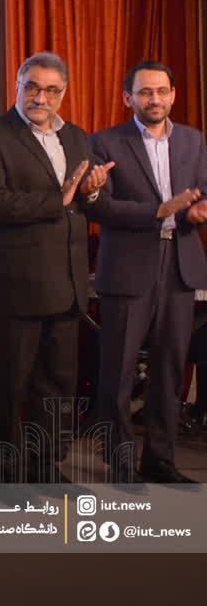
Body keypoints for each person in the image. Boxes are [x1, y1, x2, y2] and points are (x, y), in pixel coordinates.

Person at [0, 51, 111, 482]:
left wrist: (91, 191)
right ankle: (9, 470)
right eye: (32, 87)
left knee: (58, 385)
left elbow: (87, 205)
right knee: (10, 385)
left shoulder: (77, 136)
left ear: (63, 93)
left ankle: (47, 465)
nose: (40, 97)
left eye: (51, 90)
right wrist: (59, 199)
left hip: (67, 286)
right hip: (15, 285)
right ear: (18, 86)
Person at [87, 60, 207, 483]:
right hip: (128, 268)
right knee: (118, 372)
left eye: (161, 91)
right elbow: (99, 206)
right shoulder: (105, 142)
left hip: (180, 265)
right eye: (144, 92)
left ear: (173, 94)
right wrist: (158, 211)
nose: (154, 99)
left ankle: (160, 461)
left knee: (170, 369)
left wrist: (198, 210)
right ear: (128, 98)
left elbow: (203, 190)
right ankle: (120, 465)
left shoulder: (193, 139)